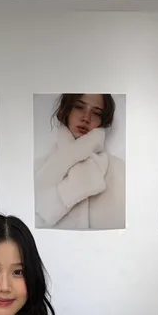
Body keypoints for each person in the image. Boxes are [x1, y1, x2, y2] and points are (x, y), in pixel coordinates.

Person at [34, 94, 126, 230]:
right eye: (79, 107)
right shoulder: (38, 168)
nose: (86, 118)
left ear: (103, 120)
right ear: (67, 110)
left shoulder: (120, 172)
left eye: (96, 113)